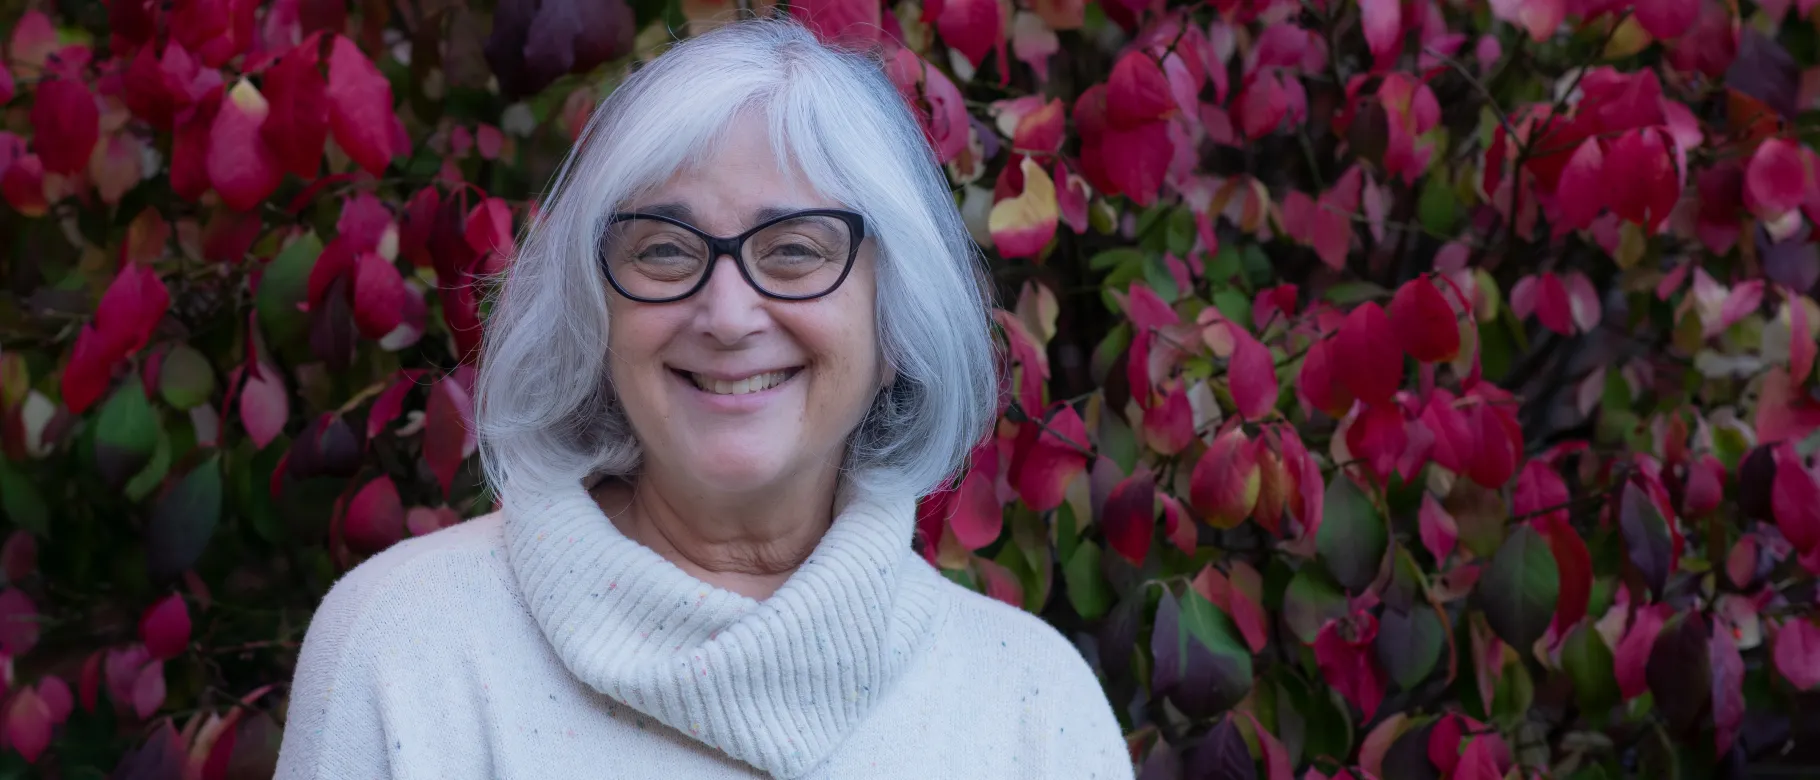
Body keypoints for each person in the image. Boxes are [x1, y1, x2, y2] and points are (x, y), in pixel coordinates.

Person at [273, 17, 1133, 780]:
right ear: (595, 310)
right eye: (664, 250)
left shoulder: (1033, 704)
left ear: (896, 317)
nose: (726, 316)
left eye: (796, 250)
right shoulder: (401, 648)